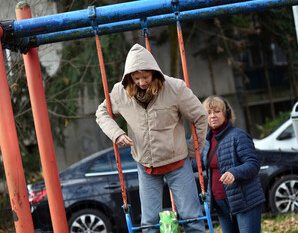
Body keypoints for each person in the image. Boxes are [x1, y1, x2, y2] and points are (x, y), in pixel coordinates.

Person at [96, 43, 208, 233]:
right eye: (136, 77)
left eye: (145, 76)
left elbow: (200, 116)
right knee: (149, 222)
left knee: (191, 217)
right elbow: (101, 113)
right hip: (145, 165)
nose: (141, 82)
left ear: (154, 73)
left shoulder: (175, 88)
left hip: (177, 162)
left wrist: (192, 150)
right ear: (129, 76)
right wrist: (117, 134)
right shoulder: (120, 93)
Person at [201, 95, 265, 233]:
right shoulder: (207, 140)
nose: (213, 116)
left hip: (245, 202)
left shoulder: (239, 136)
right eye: (208, 112)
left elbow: (253, 164)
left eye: (217, 111)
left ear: (226, 113)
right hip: (221, 204)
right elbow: (198, 163)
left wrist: (234, 173)